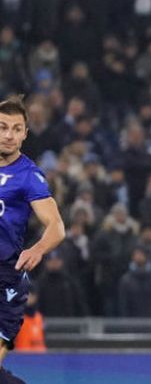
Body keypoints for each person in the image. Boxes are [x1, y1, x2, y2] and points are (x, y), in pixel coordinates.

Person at [0, 97, 65, 384]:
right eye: (2, 128)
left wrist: (38, 247)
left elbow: (56, 226)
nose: (9, 135)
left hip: (6, 280)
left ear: (25, 133)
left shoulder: (29, 176)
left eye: (16, 129)